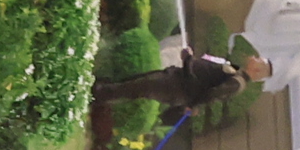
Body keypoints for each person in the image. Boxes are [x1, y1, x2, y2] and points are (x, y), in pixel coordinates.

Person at [89, 40, 272, 122]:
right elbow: (205, 74)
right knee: (134, 83)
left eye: (258, 60)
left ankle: (94, 93)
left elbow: (210, 93)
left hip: (176, 88)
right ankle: (98, 89)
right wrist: (189, 60)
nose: (253, 57)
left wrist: (192, 105)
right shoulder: (236, 72)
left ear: (257, 70)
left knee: (136, 88)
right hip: (175, 79)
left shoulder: (236, 84)